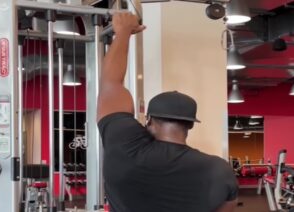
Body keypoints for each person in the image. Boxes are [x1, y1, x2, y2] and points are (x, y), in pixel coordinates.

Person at [97, 12, 238, 212]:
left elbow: (110, 84)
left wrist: (123, 32)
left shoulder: (127, 147)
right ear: (190, 125)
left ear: (149, 121)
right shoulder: (219, 169)